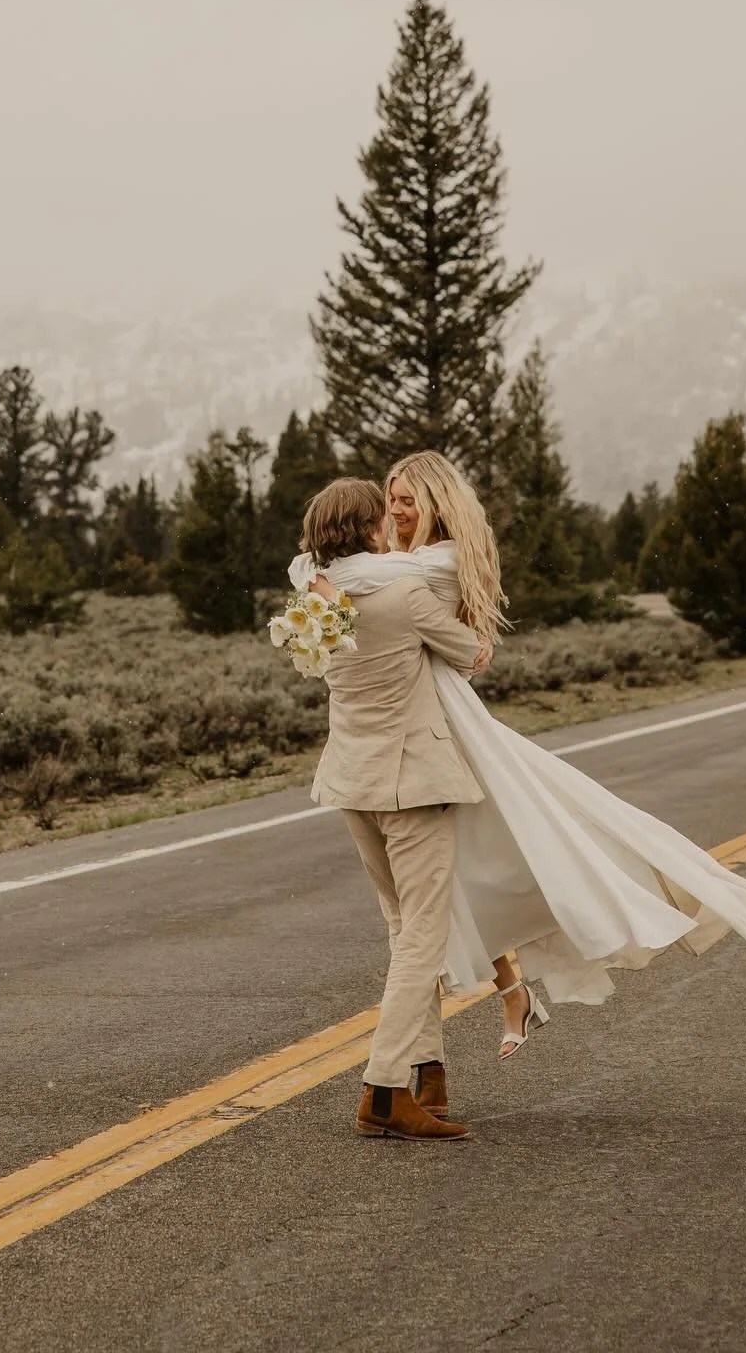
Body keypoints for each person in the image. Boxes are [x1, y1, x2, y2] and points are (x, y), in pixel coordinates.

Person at [292, 451, 746, 1064]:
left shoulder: (424, 567)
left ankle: (409, 1066)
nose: (397, 512)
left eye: (407, 501)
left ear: (435, 503)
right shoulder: (384, 572)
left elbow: (407, 610)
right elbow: (362, 586)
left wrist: (321, 574)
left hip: (435, 737)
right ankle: (446, 1046)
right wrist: (326, 577)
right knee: (451, 892)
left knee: (500, 864)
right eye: (390, 501)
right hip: (410, 740)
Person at [299, 476, 488, 1141]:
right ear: (371, 527)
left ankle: (426, 1071)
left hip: (352, 781)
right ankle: (383, 1090)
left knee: (402, 928)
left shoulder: (313, 590)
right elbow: (472, 654)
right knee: (423, 938)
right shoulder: (404, 591)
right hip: (413, 782)